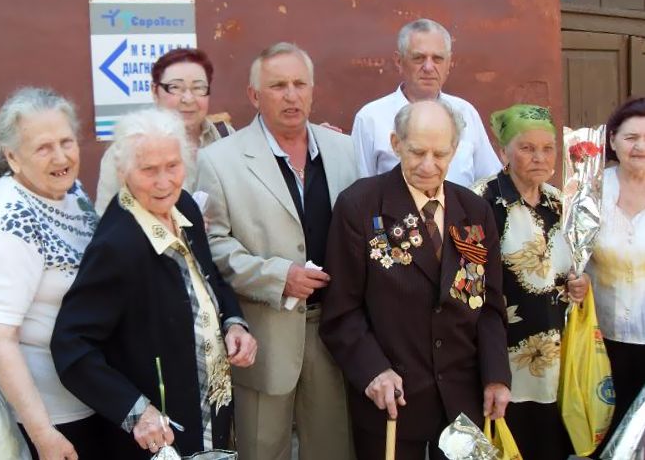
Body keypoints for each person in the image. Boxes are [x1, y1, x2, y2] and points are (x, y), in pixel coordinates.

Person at [51, 107, 257, 458]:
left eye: (172, 166)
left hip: (209, 414)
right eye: (148, 170)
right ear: (123, 172)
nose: (164, 182)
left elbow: (208, 278)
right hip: (158, 435)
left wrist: (233, 323)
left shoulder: (184, 206)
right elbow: (71, 346)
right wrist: (137, 412)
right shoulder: (118, 244)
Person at [320, 100, 511, 460]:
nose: (428, 165)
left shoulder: (474, 211)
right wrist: (374, 371)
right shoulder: (360, 206)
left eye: (440, 154)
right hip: (392, 400)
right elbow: (342, 311)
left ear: (455, 149)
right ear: (396, 144)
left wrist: (496, 375)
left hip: (462, 402)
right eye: (417, 152)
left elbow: (488, 305)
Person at [196, 42, 357, 460]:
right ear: (254, 95)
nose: (291, 95)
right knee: (262, 451)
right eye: (278, 86)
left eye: (299, 84)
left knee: (334, 450)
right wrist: (276, 277)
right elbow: (212, 244)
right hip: (263, 337)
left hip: (333, 334)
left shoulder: (345, 150)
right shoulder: (218, 160)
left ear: (312, 90)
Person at [471, 104, 589, 460]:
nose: (540, 157)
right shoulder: (480, 202)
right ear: (503, 152)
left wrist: (579, 285)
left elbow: (569, 270)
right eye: (527, 148)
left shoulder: (559, 202)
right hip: (502, 358)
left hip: (555, 358)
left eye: (548, 148)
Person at [0, 87, 103, 459]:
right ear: (12, 156)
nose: (61, 157)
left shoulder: (72, 191)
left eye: (66, 142)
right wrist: (43, 434)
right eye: (43, 148)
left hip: (91, 396)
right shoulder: (11, 219)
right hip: (54, 417)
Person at [351, 18, 501, 186]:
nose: (428, 67)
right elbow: (360, 189)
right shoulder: (371, 118)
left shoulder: (466, 112)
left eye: (437, 59)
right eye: (418, 58)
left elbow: (491, 181)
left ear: (449, 63)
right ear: (399, 61)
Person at [95, 47, 235, 214]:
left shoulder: (226, 138)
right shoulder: (125, 150)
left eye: (198, 88)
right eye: (175, 87)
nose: (188, 99)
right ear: (155, 91)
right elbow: (106, 218)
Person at [588, 97, 645, 444]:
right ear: (612, 141)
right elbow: (572, 255)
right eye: (630, 137)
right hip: (601, 338)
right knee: (604, 435)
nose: (640, 147)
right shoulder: (592, 189)